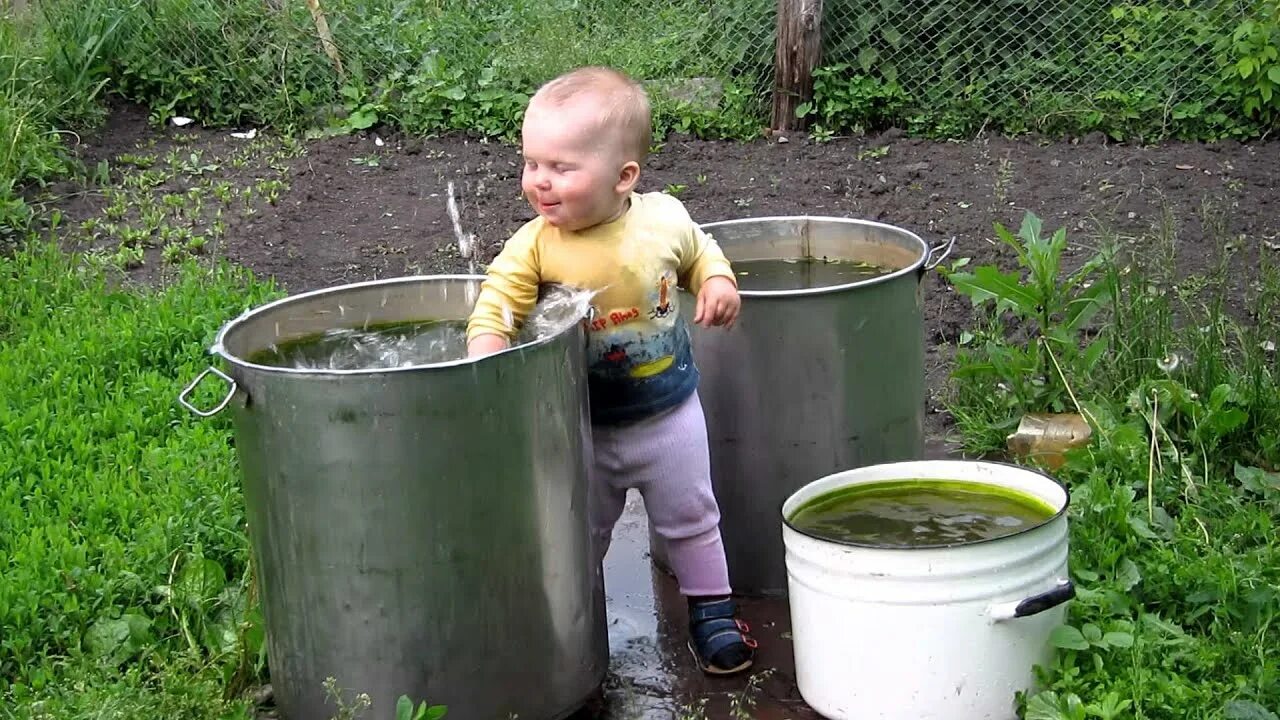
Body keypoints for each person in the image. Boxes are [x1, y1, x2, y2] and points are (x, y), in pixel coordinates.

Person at [466, 66, 756, 675]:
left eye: (561, 168)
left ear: (625, 177)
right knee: (579, 531)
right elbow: (498, 298)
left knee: (693, 518)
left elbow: (703, 250)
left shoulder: (663, 222)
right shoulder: (536, 245)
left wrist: (719, 281)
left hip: (669, 415)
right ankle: (570, 618)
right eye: (531, 164)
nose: (539, 183)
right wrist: (488, 344)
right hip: (585, 428)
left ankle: (713, 613)